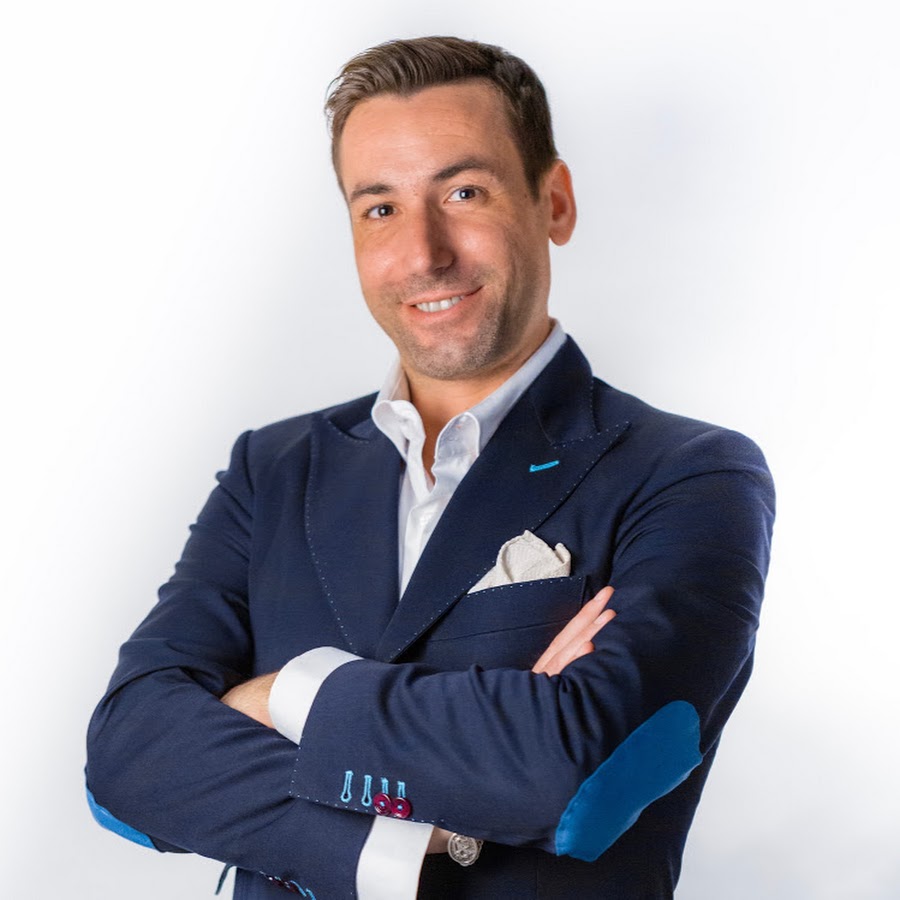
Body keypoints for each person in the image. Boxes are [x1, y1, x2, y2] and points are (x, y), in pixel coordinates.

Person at [86, 36, 775, 899]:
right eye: (380, 208)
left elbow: (578, 777)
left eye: (463, 192)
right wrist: (425, 825)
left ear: (554, 202)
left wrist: (283, 694)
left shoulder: (691, 476)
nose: (423, 252)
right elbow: (127, 761)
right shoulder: (272, 470)